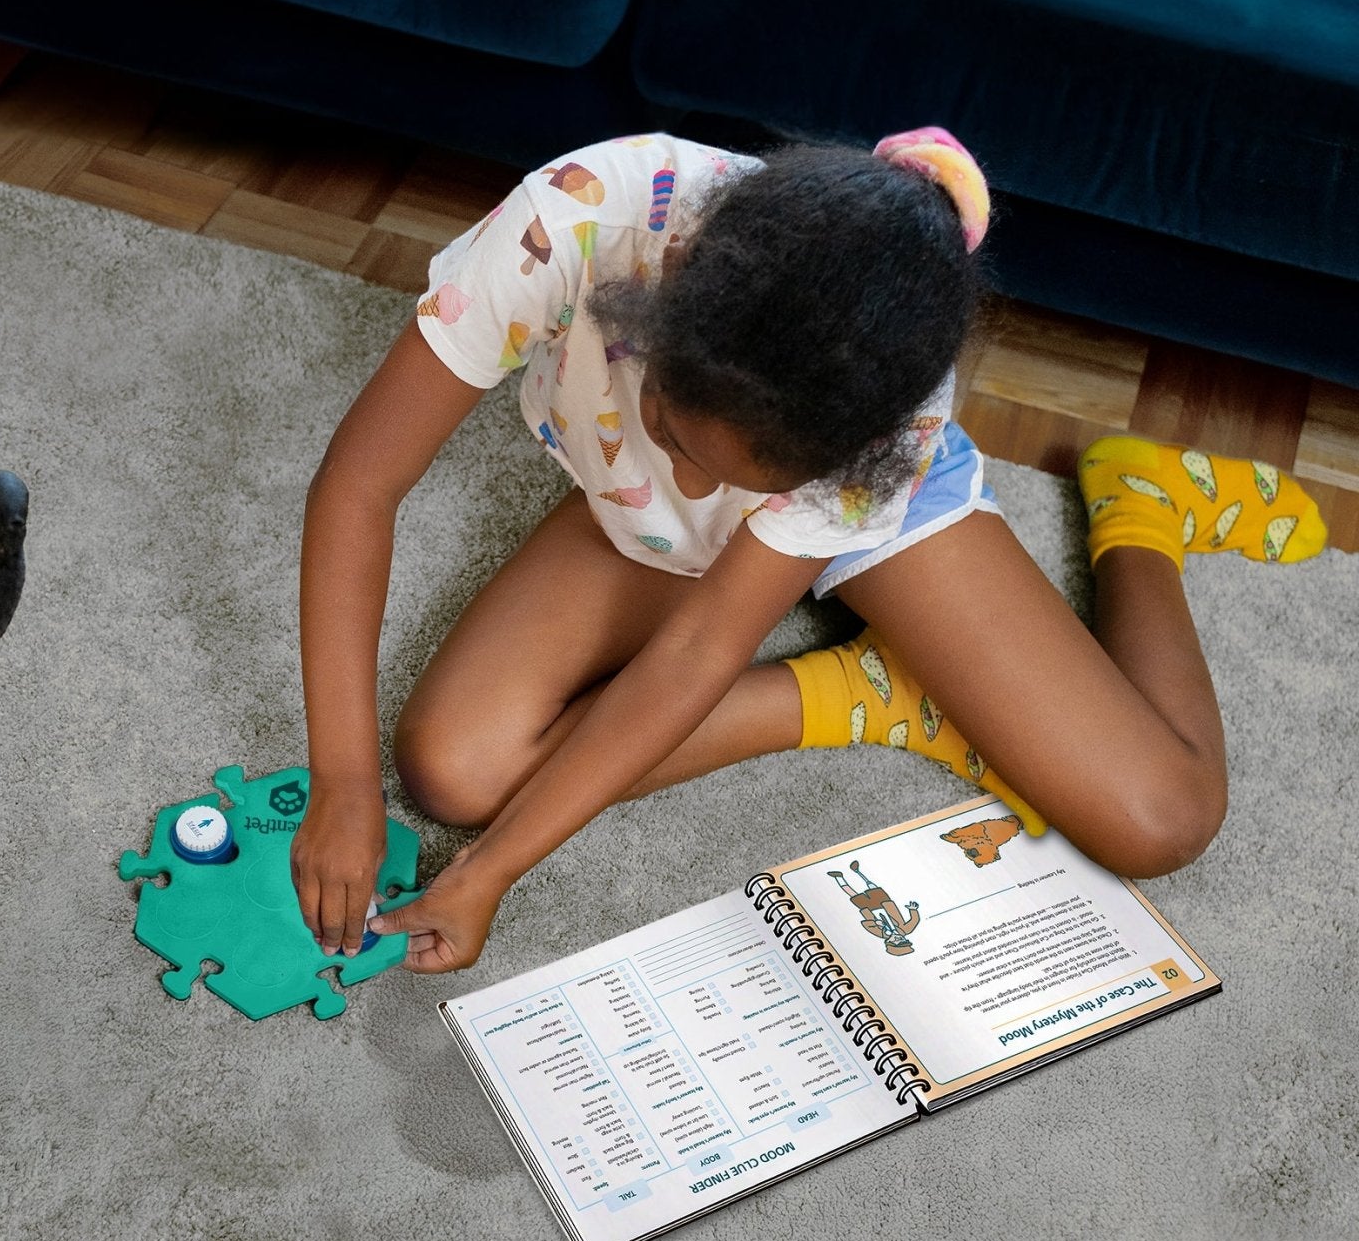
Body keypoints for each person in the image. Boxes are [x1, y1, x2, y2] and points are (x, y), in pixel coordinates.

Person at [290, 128, 1326, 973]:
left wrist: (492, 872)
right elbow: (360, 484)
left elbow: (701, 647)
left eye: (740, 476)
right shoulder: (575, 217)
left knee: (1162, 818)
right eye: (680, 436)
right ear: (664, 302)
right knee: (453, 771)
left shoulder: (887, 412)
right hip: (639, 508)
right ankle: (864, 683)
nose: (707, 490)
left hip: (864, 508)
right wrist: (342, 778)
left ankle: (1141, 508)